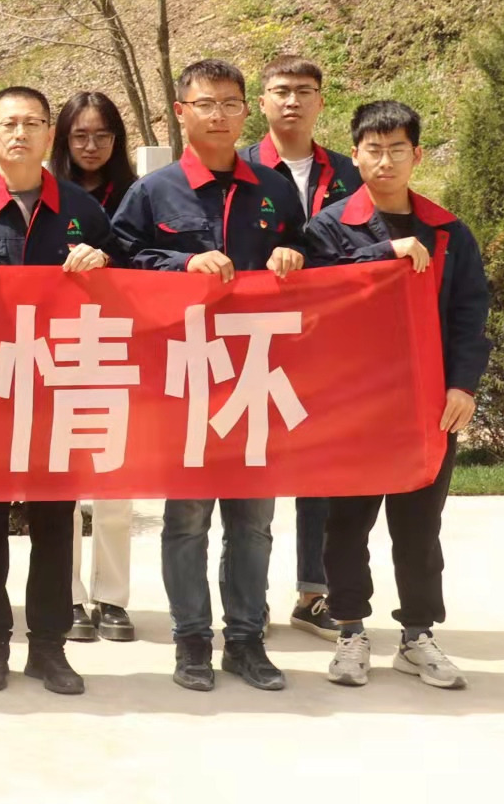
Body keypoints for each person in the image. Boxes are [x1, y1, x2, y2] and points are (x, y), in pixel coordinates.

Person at [113, 58, 308, 693]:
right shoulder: (154, 191)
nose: (218, 115)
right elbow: (119, 265)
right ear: (181, 112)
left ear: (245, 110)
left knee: (253, 522)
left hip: (257, 374)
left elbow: (314, 257)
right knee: (188, 519)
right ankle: (191, 640)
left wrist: (294, 255)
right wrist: (181, 265)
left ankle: (246, 641)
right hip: (186, 378)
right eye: (205, 104)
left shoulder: (276, 190)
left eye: (229, 103)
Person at [0, 86, 117, 697]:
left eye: (33, 123)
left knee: (55, 521)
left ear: (49, 136)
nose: (20, 134)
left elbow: (127, 284)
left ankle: (50, 647)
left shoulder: (82, 210)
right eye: (8, 124)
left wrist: (103, 262)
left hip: (59, 384)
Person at [306, 100, 489, 690]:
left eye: (397, 150)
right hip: (353, 403)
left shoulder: (448, 230)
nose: (385, 162)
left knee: (418, 527)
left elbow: (469, 314)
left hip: (425, 405)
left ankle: (417, 635)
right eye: (374, 150)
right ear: (355, 155)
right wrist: (380, 253)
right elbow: (316, 293)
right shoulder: (328, 227)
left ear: (417, 155)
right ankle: (350, 631)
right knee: (346, 524)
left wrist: (463, 384)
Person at [253, 55, 364, 642]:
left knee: (321, 470)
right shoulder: (239, 168)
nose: (292, 101)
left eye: (304, 91)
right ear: (262, 102)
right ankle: (247, 598)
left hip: (330, 341)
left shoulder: (350, 172)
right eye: (281, 91)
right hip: (253, 340)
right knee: (253, 469)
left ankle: (313, 594)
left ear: (321, 100)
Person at [50, 90, 139, 644]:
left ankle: (112, 598)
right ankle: (68, 595)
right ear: (62, 139)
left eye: (102, 136)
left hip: (120, 351)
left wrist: (108, 259)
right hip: (55, 353)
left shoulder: (137, 193)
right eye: (79, 135)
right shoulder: (44, 193)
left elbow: (144, 258)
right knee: (60, 485)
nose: (90, 146)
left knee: (114, 483)